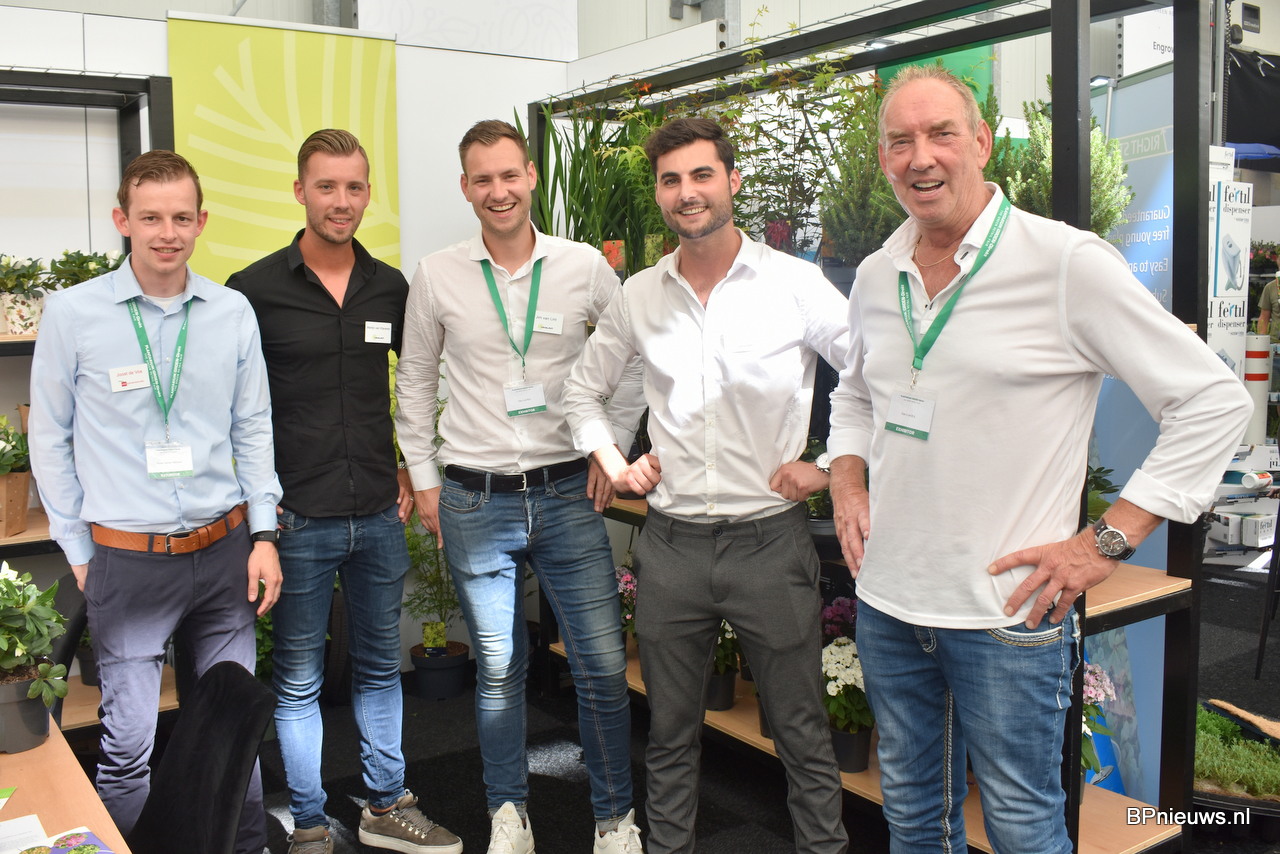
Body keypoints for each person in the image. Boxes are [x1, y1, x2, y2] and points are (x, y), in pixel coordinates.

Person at [826, 65, 1252, 853]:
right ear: (884, 160)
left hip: (1007, 615)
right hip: (889, 601)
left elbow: (1213, 400)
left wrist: (1106, 542)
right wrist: (846, 478)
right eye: (900, 141)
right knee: (912, 817)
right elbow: (854, 394)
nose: (921, 156)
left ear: (981, 143)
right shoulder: (879, 274)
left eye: (941, 134)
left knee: (1023, 829)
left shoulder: (1064, 263)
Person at [563, 116, 851, 854]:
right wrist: (613, 462)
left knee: (802, 734)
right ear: (660, 192)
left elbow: (878, 376)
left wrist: (829, 467)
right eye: (671, 180)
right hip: (672, 549)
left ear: (732, 181)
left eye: (701, 175)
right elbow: (581, 392)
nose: (687, 193)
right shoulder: (640, 295)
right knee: (668, 736)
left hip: (770, 544)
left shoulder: (794, 284)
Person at [394, 119, 647, 854]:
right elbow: (415, 381)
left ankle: (614, 820)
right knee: (500, 672)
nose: (498, 191)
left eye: (510, 175)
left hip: (569, 493)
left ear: (531, 176)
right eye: (483, 179)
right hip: (475, 499)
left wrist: (610, 444)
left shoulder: (583, 267)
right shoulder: (437, 274)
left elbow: (632, 357)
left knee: (601, 667)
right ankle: (509, 813)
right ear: (465, 187)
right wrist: (424, 478)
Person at [29, 150, 282, 854]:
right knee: (128, 744)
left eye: (180, 217)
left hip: (225, 551)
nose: (167, 233)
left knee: (233, 729)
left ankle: (248, 849)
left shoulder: (230, 312)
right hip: (128, 559)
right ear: (123, 221)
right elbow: (49, 439)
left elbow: (253, 427)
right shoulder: (74, 314)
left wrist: (264, 535)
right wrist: (80, 550)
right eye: (150, 218)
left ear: (201, 221)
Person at [227, 129, 461, 854]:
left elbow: (417, 387)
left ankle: (386, 805)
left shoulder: (391, 287)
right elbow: (233, 408)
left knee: (380, 671)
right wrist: (255, 507)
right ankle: (307, 824)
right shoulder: (251, 291)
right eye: (326, 186)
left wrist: (411, 466)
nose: (341, 200)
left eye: (354, 187)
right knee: (298, 682)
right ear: (300, 191)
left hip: (379, 516)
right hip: (296, 518)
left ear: (367, 194)